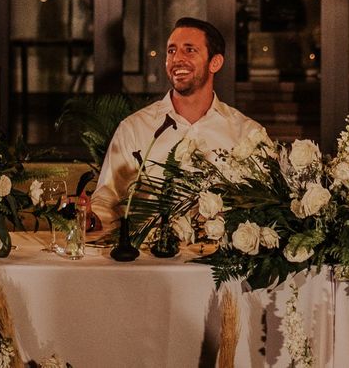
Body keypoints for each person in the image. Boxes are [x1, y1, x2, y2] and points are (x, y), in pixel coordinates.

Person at [91, 17, 266, 232]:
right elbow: (107, 198)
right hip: (149, 260)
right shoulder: (135, 129)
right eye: (172, 51)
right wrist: (92, 219)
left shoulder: (247, 134)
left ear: (215, 62)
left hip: (221, 261)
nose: (177, 59)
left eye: (189, 50)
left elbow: (266, 206)